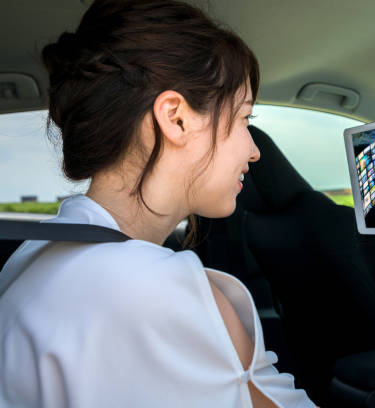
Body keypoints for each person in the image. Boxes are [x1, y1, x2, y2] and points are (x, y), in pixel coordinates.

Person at [0, 1, 316, 407]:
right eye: (244, 119)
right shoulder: (154, 289)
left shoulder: (32, 255)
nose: (254, 151)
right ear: (176, 118)